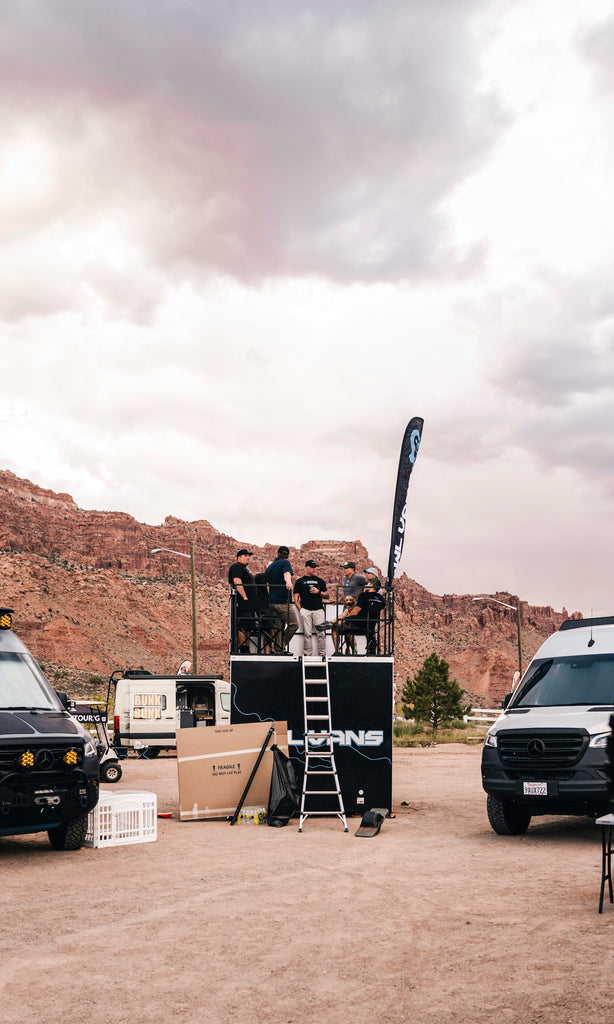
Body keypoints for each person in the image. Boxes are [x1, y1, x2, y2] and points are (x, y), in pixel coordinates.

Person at [330, 581, 386, 655]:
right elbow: (381, 607)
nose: (366, 585)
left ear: (371, 585)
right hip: (371, 626)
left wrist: (347, 619)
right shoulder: (381, 598)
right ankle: (371, 651)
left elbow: (355, 612)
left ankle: (337, 651)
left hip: (358, 625)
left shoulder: (363, 595)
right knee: (346, 617)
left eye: (368, 584)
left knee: (335, 627)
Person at [265, 545, 299, 652]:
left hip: (271, 601)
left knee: (278, 627)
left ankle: (279, 651)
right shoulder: (285, 563)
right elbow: (287, 574)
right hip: (283, 601)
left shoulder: (270, 566)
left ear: (277, 554)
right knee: (294, 624)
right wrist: (288, 582)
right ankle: (279, 646)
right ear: (287, 555)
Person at [294, 559, 329, 657]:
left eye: (315, 567)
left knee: (321, 633)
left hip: (318, 610)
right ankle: (307, 654)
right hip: (306, 610)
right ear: (306, 567)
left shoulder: (320, 581)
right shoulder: (299, 581)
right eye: (311, 567)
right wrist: (301, 610)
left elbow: (327, 595)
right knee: (307, 634)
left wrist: (319, 592)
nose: (314, 569)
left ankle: (322, 655)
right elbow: (296, 597)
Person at [228, 548, 257, 652]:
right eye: (245, 555)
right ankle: (243, 648)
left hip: (250, 603)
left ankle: (247, 648)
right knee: (243, 625)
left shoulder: (246, 570)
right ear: (239, 557)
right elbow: (237, 581)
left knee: (249, 627)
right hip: (243, 601)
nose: (248, 557)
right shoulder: (236, 567)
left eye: (248, 555)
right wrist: (244, 597)